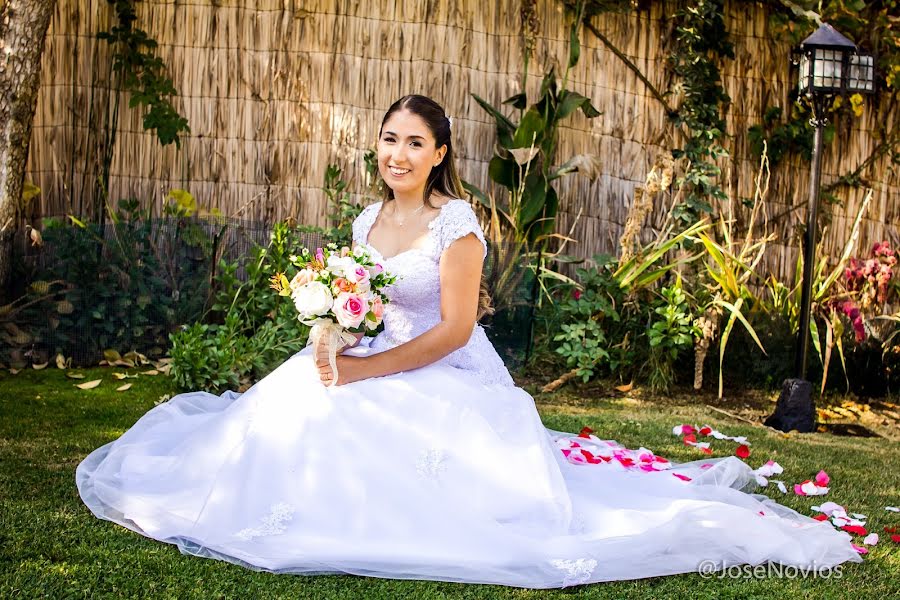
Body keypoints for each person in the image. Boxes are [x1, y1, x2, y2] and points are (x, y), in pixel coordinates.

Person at [76, 95, 862, 589]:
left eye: (415, 143)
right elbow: (357, 299)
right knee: (278, 415)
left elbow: (455, 329)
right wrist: (329, 335)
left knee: (361, 423)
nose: (398, 155)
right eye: (389, 140)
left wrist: (364, 371)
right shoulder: (364, 219)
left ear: (441, 153)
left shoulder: (457, 224)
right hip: (360, 355)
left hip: (435, 369)